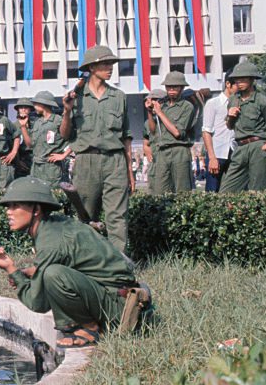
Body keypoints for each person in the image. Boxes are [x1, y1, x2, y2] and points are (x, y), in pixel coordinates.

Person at [0, 177, 152, 349]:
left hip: (121, 311)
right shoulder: (54, 225)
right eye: (8, 206)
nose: (8, 212)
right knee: (50, 273)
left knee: (53, 275)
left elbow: (37, 302)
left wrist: (11, 269)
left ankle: (88, 329)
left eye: (15, 206)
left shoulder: (51, 241)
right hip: (118, 298)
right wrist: (29, 272)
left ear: (36, 210)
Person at [59, 45, 134, 253]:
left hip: (115, 161)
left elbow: (126, 137)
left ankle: (118, 264)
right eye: (105, 63)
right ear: (92, 67)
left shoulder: (119, 97)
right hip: (86, 161)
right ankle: (87, 261)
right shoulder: (76, 98)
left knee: (117, 215)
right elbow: (65, 135)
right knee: (85, 214)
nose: (110, 68)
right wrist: (66, 111)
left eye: (111, 63)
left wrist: (130, 171)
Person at [218, 61, 266, 193]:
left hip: (258, 146)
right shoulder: (233, 100)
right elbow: (229, 126)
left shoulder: (264, 101)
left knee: (259, 190)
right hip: (240, 147)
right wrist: (230, 116)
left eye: (243, 78)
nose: (239, 82)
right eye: (236, 79)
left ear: (252, 79)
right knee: (226, 191)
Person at [145, 71, 196, 194]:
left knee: (182, 192)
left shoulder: (187, 106)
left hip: (179, 149)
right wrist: (149, 112)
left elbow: (177, 132)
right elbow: (152, 131)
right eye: (168, 87)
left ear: (182, 88)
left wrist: (160, 113)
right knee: (160, 192)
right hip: (162, 151)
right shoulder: (162, 105)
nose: (171, 89)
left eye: (175, 87)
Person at [201, 70, 237, 192]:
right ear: (228, 84)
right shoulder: (213, 104)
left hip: (234, 151)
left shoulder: (240, 104)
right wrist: (212, 158)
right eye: (237, 84)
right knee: (212, 191)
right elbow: (206, 132)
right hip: (217, 153)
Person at [28, 90, 70, 188]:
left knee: (53, 196)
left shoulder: (58, 120)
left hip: (51, 167)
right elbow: (31, 144)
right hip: (36, 166)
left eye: (36, 104)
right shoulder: (38, 122)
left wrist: (63, 155)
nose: (34, 107)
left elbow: (75, 138)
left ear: (43, 104)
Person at [12, 98, 36, 179]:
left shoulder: (35, 124)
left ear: (30, 110)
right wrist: (18, 162)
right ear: (18, 110)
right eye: (21, 107)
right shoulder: (13, 126)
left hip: (34, 157)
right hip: (19, 157)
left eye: (26, 107)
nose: (23, 110)